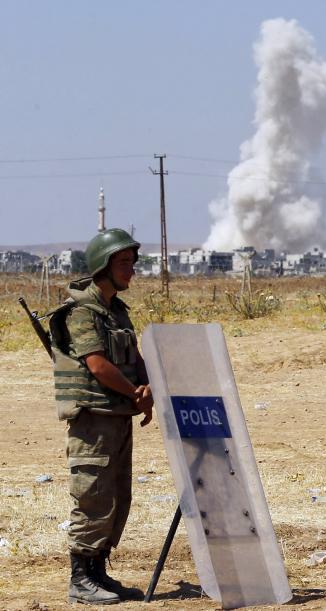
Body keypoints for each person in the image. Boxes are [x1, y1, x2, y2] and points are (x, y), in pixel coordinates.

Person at [49, 228, 154, 604]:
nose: (132, 271)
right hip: (93, 417)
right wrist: (134, 393)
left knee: (115, 498)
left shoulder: (116, 312)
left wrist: (145, 391)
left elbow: (134, 358)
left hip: (117, 415)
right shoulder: (82, 312)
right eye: (124, 263)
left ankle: (98, 572)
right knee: (92, 495)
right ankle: (80, 579)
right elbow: (97, 364)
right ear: (103, 267)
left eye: (132, 263)